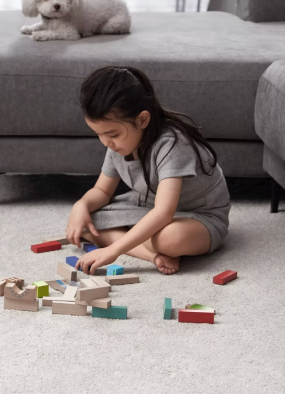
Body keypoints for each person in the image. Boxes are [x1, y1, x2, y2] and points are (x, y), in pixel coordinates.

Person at [67, 66, 230, 275]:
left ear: (142, 120)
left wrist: (113, 251)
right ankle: (152, 255)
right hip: (148, 205)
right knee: (86, 222)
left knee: (168, 238)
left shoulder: (172, 144)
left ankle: (148, 245)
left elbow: (163, 213)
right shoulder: (117, 143)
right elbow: (102, 192)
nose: (106, 142)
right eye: (99, 134)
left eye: (112, 134)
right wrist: (81, 205)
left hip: (200, 216)